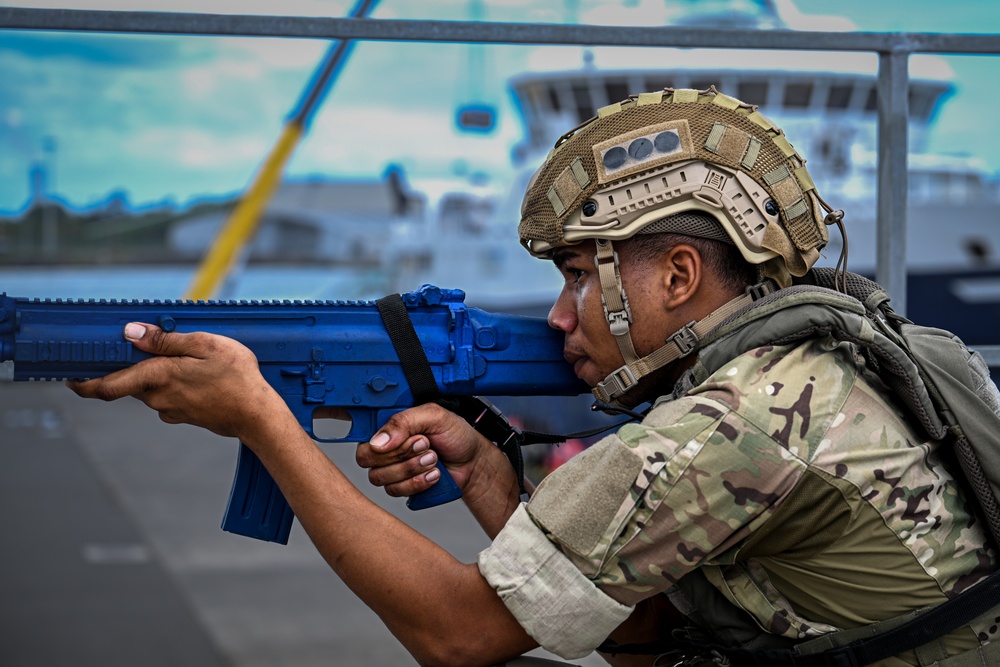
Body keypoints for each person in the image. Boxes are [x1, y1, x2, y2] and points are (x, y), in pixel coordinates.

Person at [69, 88, 998, 667]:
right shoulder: (813, 362)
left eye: (577, 276)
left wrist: (261, 418)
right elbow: (643, 636)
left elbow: (457, 634)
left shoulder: (725, 425)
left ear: (678, 275)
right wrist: (486, 474)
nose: (559, 317)